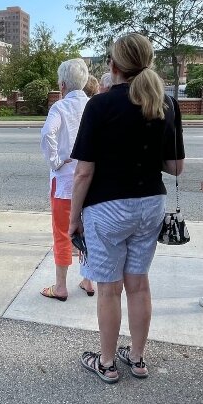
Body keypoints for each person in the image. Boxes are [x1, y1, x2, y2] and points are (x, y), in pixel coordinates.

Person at [69, 33, 185, 383]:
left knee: (109, 288)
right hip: (151, 204)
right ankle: (136, 359)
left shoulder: (100, 105)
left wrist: (73, 219)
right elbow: (176, 166)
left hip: (107, 208)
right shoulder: (165, 103)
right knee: (138, 285)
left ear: (114, 66)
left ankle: (106, 364)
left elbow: (83, 171)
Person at [39, 58, 94, 302]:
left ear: (62, 84)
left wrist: (57, 160)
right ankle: (88, 279)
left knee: (62, 232)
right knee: (90, 230)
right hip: (93, 182)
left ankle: (61, 286)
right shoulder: (94, 105)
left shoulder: (59, 108)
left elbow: (47, 132)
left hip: (64, 183)